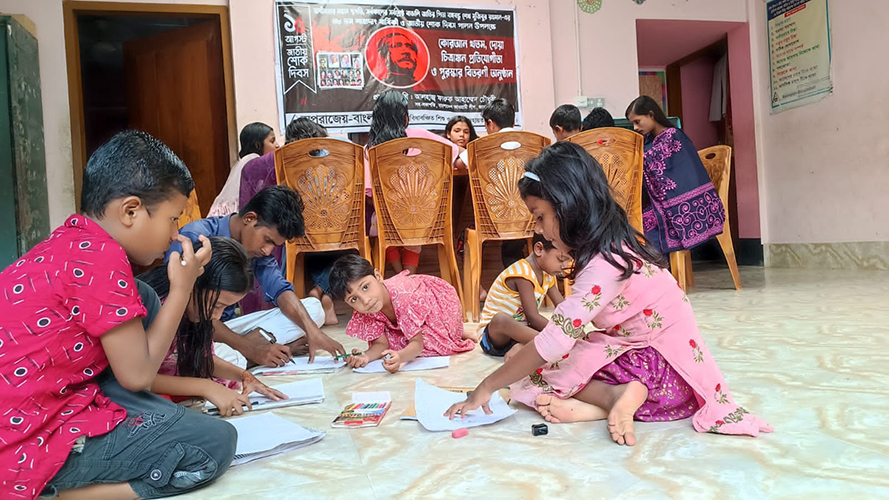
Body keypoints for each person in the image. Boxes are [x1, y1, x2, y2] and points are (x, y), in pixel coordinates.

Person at [445, 142, 771, 446]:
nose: (539, 229)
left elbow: (554, 341)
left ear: (569, 205)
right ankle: (606, 404)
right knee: (541, 357)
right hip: (669, 372)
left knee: (530, 364)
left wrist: (485, 387)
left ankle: (612, 398)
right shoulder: (616, 248)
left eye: (541, 216)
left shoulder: (604, 266)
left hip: (661, 376)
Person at [0, 130, 235, 499]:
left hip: (32, 412)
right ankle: (53, 494)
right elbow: (138, 376)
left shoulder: (71, 240)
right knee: (213, 443)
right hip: (24, 440)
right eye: (173, 219)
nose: (175, 235)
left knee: (142, 296)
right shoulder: (102, 258)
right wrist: (182, 287)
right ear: (131, 211)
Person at [167, 185, 346, 368]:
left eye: (274, 246)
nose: (268, 250)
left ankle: (249, 351)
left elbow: (281, 290)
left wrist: (313, 332)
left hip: (228, 328)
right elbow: (190, 312)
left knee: (314, 309)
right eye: (267, 240)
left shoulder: (257, 252)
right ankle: (253, 353)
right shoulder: (195, 238)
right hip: (194, 330)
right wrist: (250, 348)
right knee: (196, 358)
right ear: (250, 218)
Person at [141, 237, 286, 416]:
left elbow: (202, 357)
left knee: (231, 365)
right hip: (133, 384)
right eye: (216, 305)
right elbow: (138, 378)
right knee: (161, 409)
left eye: (226, 307)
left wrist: (245, 376)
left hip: (165, 371)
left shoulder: (197, 312)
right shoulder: (157, 305)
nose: (217, 315)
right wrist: (206, 387)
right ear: (193, 284)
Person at [365, 90, 462, 274]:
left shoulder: (369, 150)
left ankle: (400, 273)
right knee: (415, 218)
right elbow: (453, 152)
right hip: (424, 218)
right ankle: (409, 276)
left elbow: (369, 194)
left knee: (381, 226)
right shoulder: (419, 135)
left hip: (385, 222)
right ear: (405, 118)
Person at [329, 254, 475, 374]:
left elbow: (417, 344)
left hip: (438, 305)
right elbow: (381, 344)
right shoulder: (367, 308)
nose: (365, 300)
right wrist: (366, 356)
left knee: (425, 345)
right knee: (392, 344)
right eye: (353, 299)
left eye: (366, 287)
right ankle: (451, 332)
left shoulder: (404, 296)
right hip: (408, 316)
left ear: (378, 276)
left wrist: (401, 357)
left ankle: (454, 331)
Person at [625, 96, 725, 254]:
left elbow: (648, 162)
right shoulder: (649, 140)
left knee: (643, 230)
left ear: (651, 115)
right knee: (630, 226)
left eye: (637, 121)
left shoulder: (673, 136)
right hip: (660, 205)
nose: (635, 127)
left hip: (680, 208)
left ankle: (659, 274)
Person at [478, 233, 571, 359]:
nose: (564, 265)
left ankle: (522, 347)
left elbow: (562, 306)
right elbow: (533, 316)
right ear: (539, 249)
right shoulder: (522, 274)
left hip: (519, 332)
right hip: (494, 336)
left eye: (567, 260)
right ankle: (551, 342)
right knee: (501, 320)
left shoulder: (547, 275)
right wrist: (558, 333)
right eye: (561, 259)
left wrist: (573, 326)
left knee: (542, 328)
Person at [458, 98, 526, 268]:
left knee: (464, 240)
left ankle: (478, 289)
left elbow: (459, 165)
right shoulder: (532, 142)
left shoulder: (480, 147)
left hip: (492, 219)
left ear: (490, 124)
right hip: (528, 216)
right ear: (513, 120)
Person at [208, 122, 278, 217]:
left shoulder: (242, 163)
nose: (277, 145)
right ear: (258, 145)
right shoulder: (253, 161)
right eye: (272, 141)